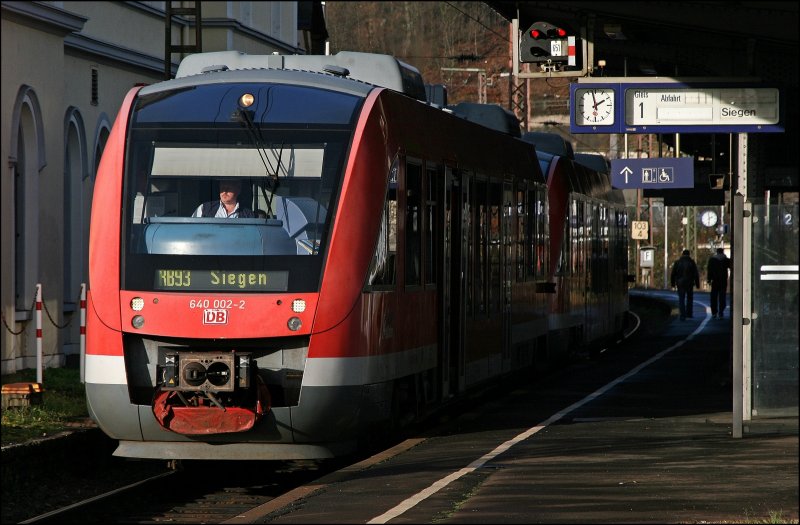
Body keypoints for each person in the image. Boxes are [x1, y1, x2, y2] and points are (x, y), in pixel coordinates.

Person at [670, 249, 700, 320]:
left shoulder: (677, 262)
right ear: (689, 254)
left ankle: (682, 315)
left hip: (680, 283)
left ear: (682, 254)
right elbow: (696, 274)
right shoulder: (692, 262)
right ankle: (689, 314)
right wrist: (697, 284)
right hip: (689, 283)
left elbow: (673, 274)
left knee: (681, 299)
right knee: (689, 298)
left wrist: (673, 284)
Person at [706, 247, 730, 319]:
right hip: (723, 280)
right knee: (722, 296)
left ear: (717, 252)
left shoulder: (712, 260)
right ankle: (721, 312)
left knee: (714, 297)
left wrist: (709, 280)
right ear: (723, 252)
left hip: (715, 281)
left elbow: (709, 270)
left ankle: (714, 312)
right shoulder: (726, 260)